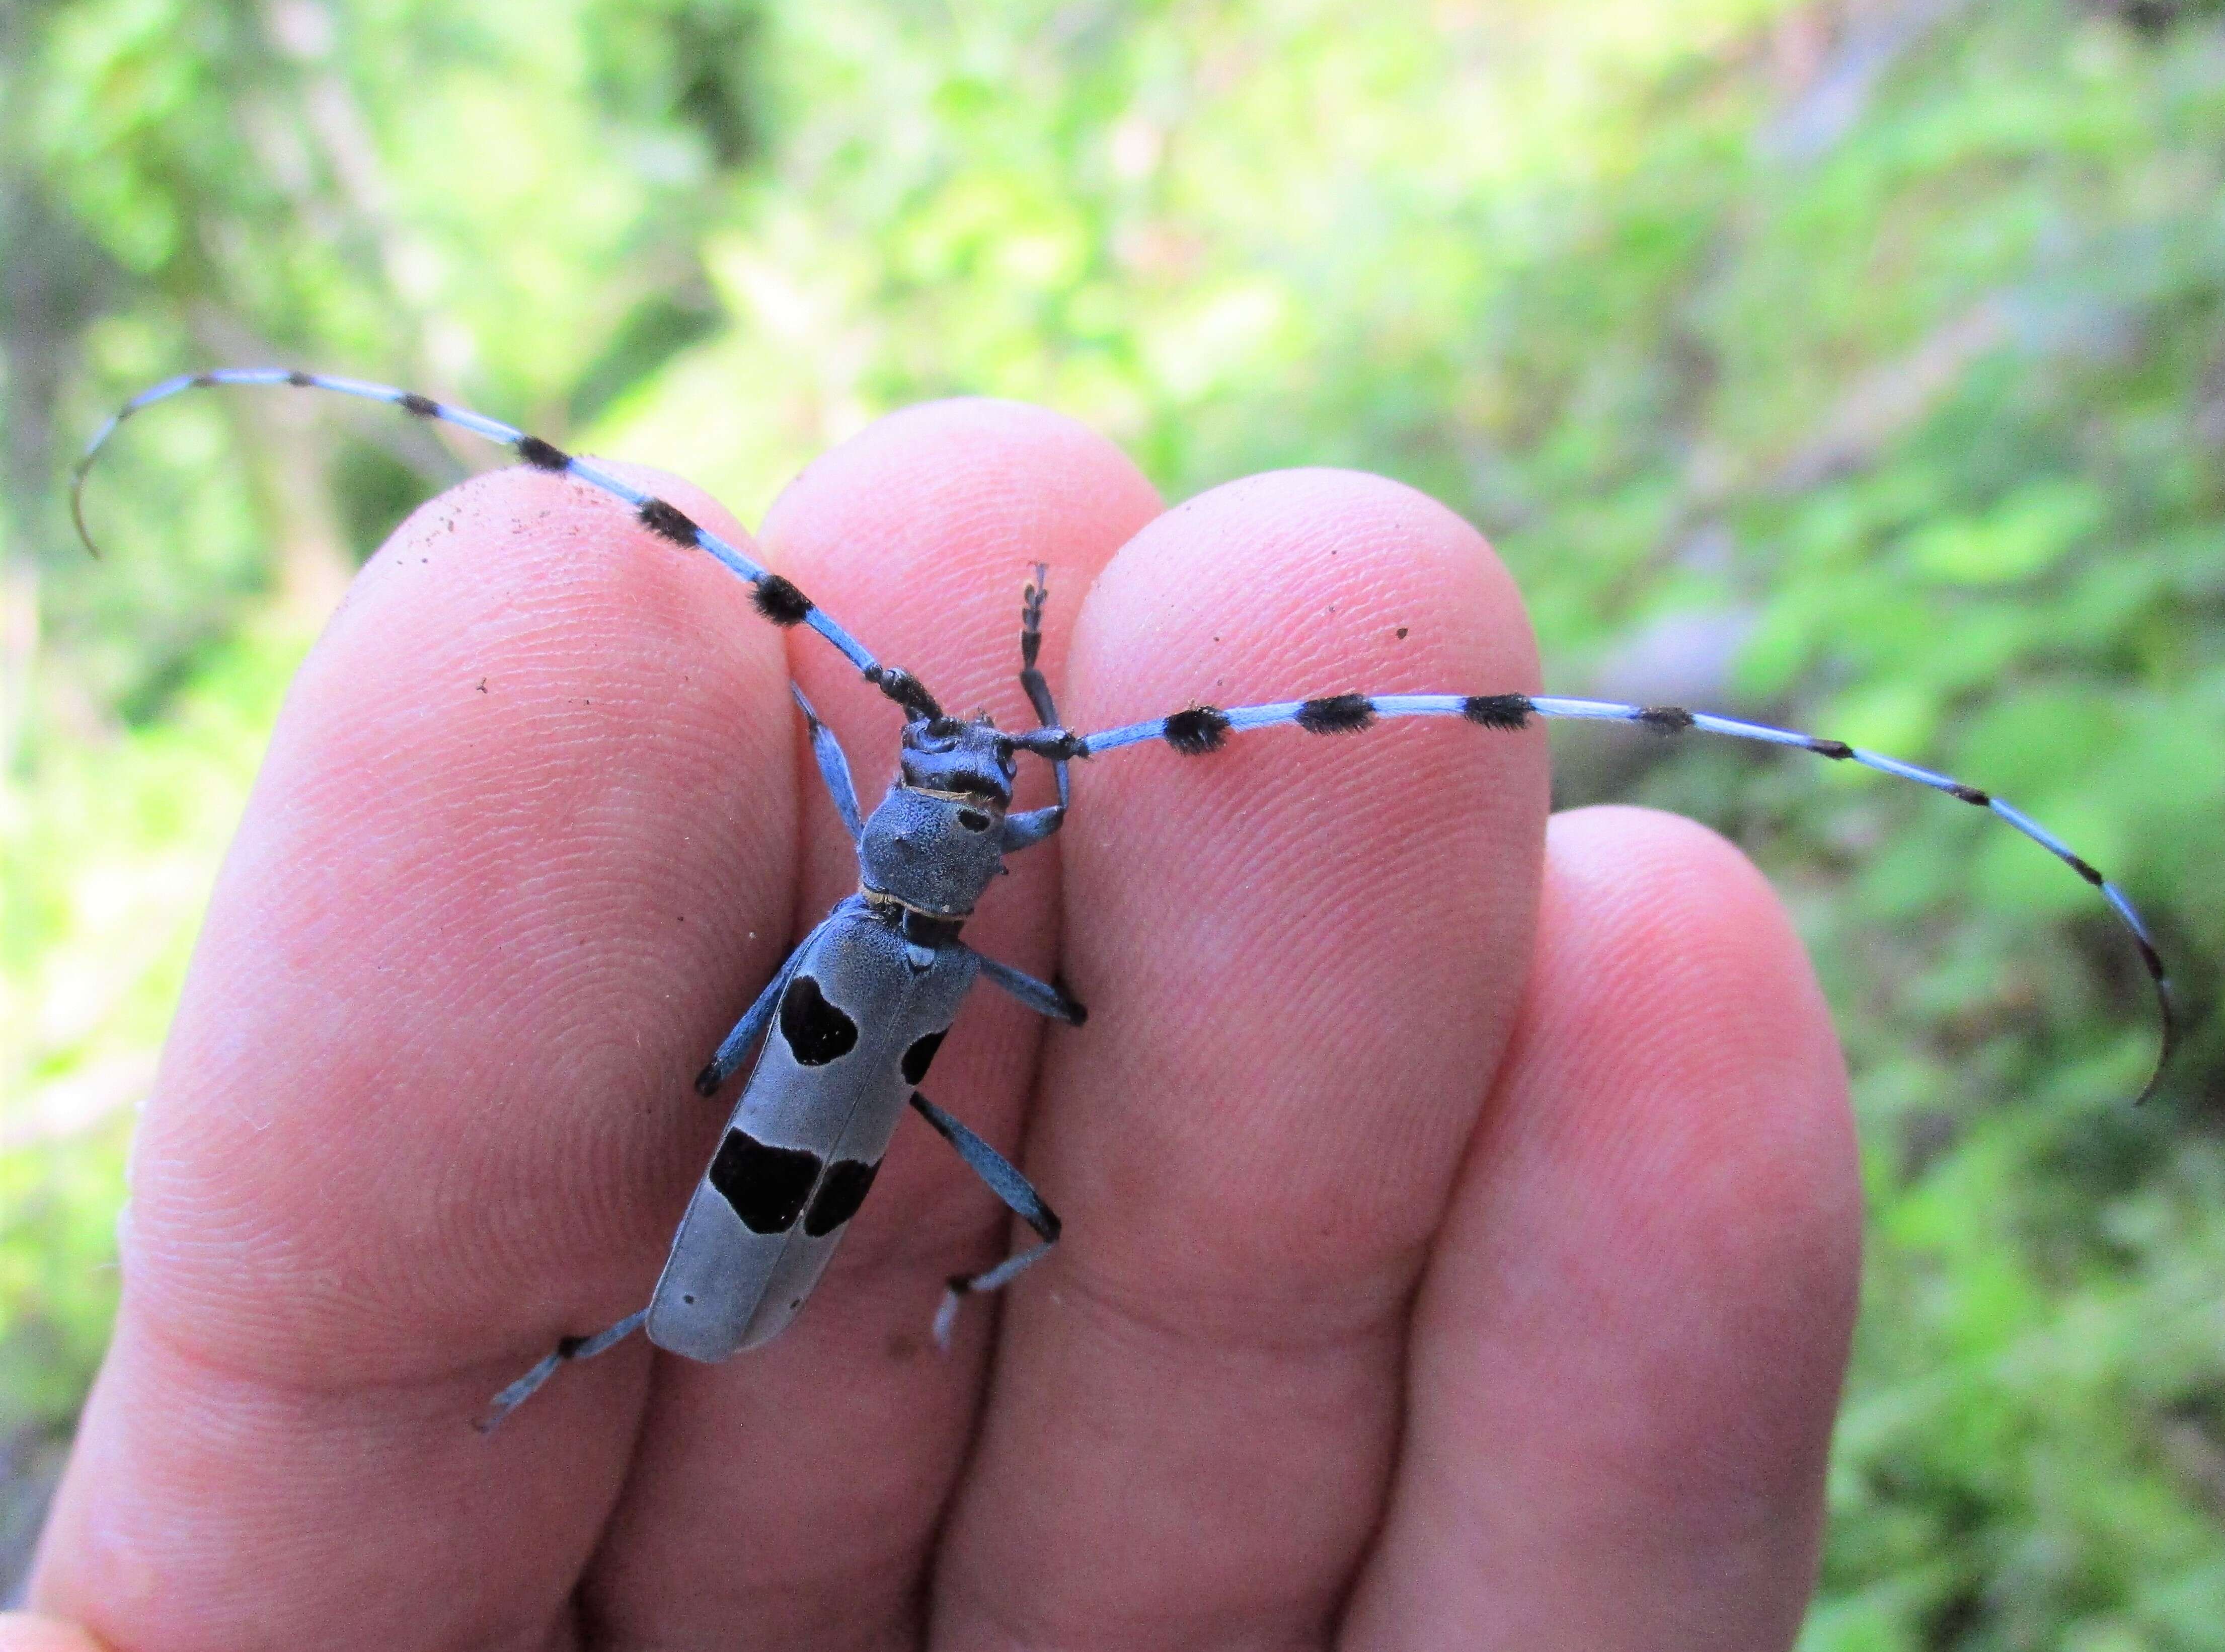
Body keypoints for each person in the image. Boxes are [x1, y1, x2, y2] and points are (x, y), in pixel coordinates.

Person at [6, 399, 1858, 1649]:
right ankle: (888, 1292)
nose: (960, 780)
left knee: (810, 1115)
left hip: (827, 1046)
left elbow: (760, 1011)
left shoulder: (883, 872)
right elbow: (1025, 977)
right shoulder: (975, 925)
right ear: (946, 825)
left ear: (911, 820)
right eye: (955, 779)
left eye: (972, 781)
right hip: (834, 1088)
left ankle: (663, 1334)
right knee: (881, 1157)